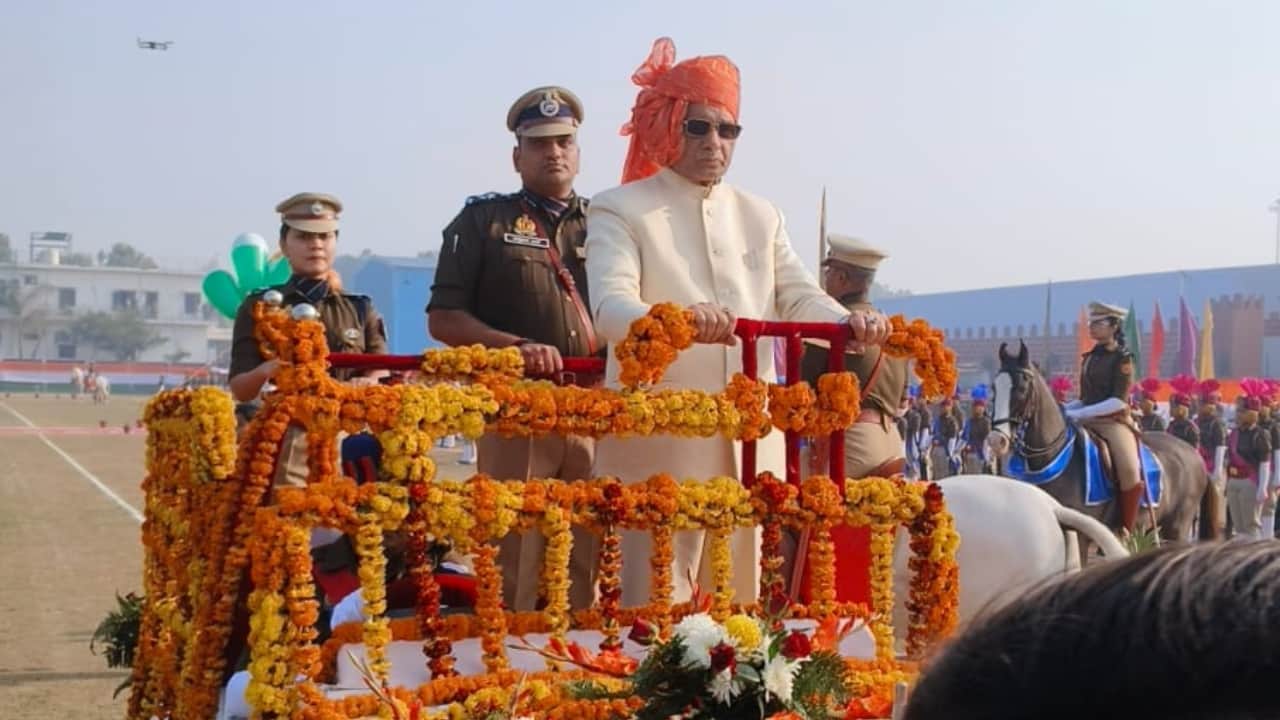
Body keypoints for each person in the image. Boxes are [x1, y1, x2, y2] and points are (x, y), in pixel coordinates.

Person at [584, 37, 890, 605]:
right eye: (699, 127)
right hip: (661, 443)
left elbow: (799, 295)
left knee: (745, 615)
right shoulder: (619, 208)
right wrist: (675, 320)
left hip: (754, 441)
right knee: (651, 609)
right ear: (667, 124)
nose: (714, 143)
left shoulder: (760, 213)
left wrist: (846, 325)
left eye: (728, 131)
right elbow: (611, 310)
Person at [427, 86, 601, 611]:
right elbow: (443, 318)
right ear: (517, 156)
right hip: (518, 409)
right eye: (540, 142)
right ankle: (512, 671)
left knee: (587, 546)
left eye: (564, 141)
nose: (554, 152)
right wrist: (515, 347)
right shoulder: (484, 222)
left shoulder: (608, 222)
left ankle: (580, 668)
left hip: (594, 409)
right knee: (517, 548)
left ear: (578, 149)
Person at [902, 542, 1280, 720]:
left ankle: (1125, 516)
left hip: (1113, 418)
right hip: (1081, 416)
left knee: (1122, 458)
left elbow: (1115, 399)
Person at [228, 192, 390, 486]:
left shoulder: (359, 308)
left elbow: (382, 366)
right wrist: (270, 370)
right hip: (283, 444)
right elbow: (240, 388)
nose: (316, 244)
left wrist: (368, 381)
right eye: (304, 236)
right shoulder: (260, 308)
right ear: (284, 245)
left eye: (325, 237)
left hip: (349, 443)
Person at [798, 235, 908, 479]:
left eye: (828, 273)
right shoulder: (892, 330)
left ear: (841, 278)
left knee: (788, 505)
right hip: (891, 441)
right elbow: (902, 401)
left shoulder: (834, 327)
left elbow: (800, 388)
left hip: (852, 443)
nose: (824, 280)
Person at [1064, 302, 1143, 535]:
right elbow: (1086, 398)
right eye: (1091, 323)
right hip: (1086, 419)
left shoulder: (1123, 358)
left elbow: (1118, 400)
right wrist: (1066, 408)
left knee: (1129, 470)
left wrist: (1078, 413)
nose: (1092, 327)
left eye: (1098, 323)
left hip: (1113, 421)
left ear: (1114, 326)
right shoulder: (1090, 357)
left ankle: (1127, 528)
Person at [962, 385, 993, 475]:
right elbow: (964, 438)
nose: (977, 409)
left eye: (980, 407)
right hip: (969, 454)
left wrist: (986, 457)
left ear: (983, 408)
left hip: (981, 455)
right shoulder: (969, 422)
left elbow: (987, 441)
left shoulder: (985, 422)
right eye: (975, 407)